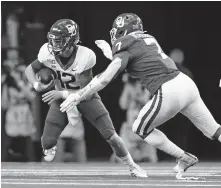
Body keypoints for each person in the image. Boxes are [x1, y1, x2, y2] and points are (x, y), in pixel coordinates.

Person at [60, 13, 221, 179]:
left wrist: (79, 95)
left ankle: (184, 158)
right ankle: (185, 158)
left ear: (122, 31)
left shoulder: (126, 43)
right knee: (215, 130)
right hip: (186, 84)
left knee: (140, 128)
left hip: (169, 87)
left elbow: (107, 76)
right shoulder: (145, 38)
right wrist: (110, 53)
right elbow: (131, 60)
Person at [25, 19, 147, 177]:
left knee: (111, 135)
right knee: (47, 142)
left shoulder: (85, 55)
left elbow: (83, 91)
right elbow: (30, 69)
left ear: (71, 40)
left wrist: (61, 93)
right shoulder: (46, 52)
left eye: (59, 40)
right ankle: (51, 144)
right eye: (53, 39)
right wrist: (36, 85)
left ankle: (132, 166)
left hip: (85, 97)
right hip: (61, 99)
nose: (54, 44)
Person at [111, 74, 158, 163]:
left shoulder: (150, 84)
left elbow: (154, 104)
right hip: (130, 126)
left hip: (146, 127)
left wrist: (142, 99)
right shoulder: (129, 86)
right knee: (122, 158)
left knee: (150, 159)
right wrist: (127, 87)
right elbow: (123, 105)